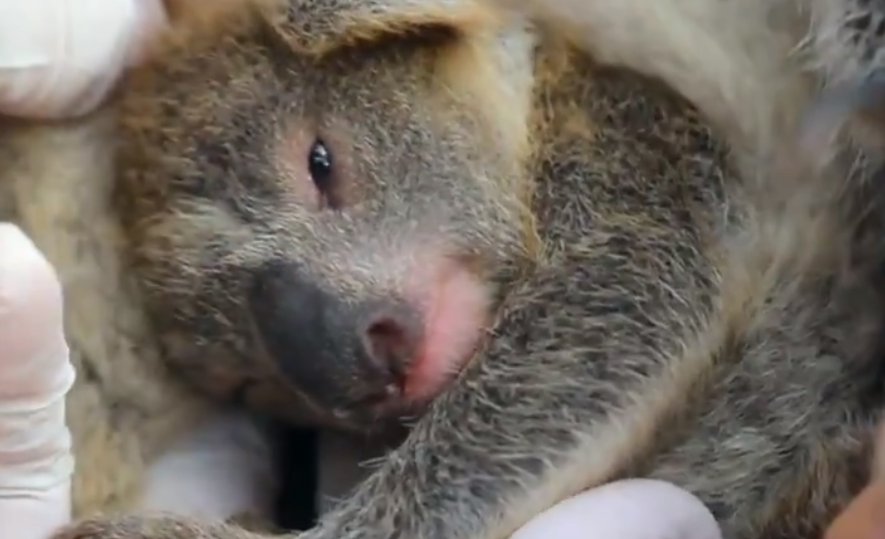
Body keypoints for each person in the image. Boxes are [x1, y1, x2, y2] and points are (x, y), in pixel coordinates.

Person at [0, 2, 724, 538]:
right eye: (256, 383)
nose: (336, 384)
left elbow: (627, 281)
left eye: (322, 172)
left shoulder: (577, 92)